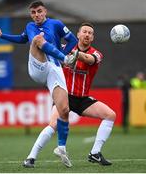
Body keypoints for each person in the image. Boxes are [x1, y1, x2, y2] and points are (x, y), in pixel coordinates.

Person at [0, 0, 78, 168]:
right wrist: (2, 36)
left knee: (64, 111)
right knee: (38, 40)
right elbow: (24, 39)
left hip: (54, 68)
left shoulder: (56, 24)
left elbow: (73, 41)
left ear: (45, 11)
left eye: (39, 11)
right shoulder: (31, 26)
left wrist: (63, 54)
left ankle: (53, 150)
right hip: (38, 67)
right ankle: (65, 59)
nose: (36, 15)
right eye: (33, 12)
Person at [23, 22, 116, 168]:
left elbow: (89, 59)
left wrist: (74, 54)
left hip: (82, 98)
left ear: (92, 38)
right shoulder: (64, 49)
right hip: (64, 95)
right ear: (77, 35)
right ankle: (30, 158)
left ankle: (95, 153)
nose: (87, 34)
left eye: (90, 33)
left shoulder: (96, 53)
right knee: (53, 125)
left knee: (110, 115)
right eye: (84, 31)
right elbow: (49, 53)